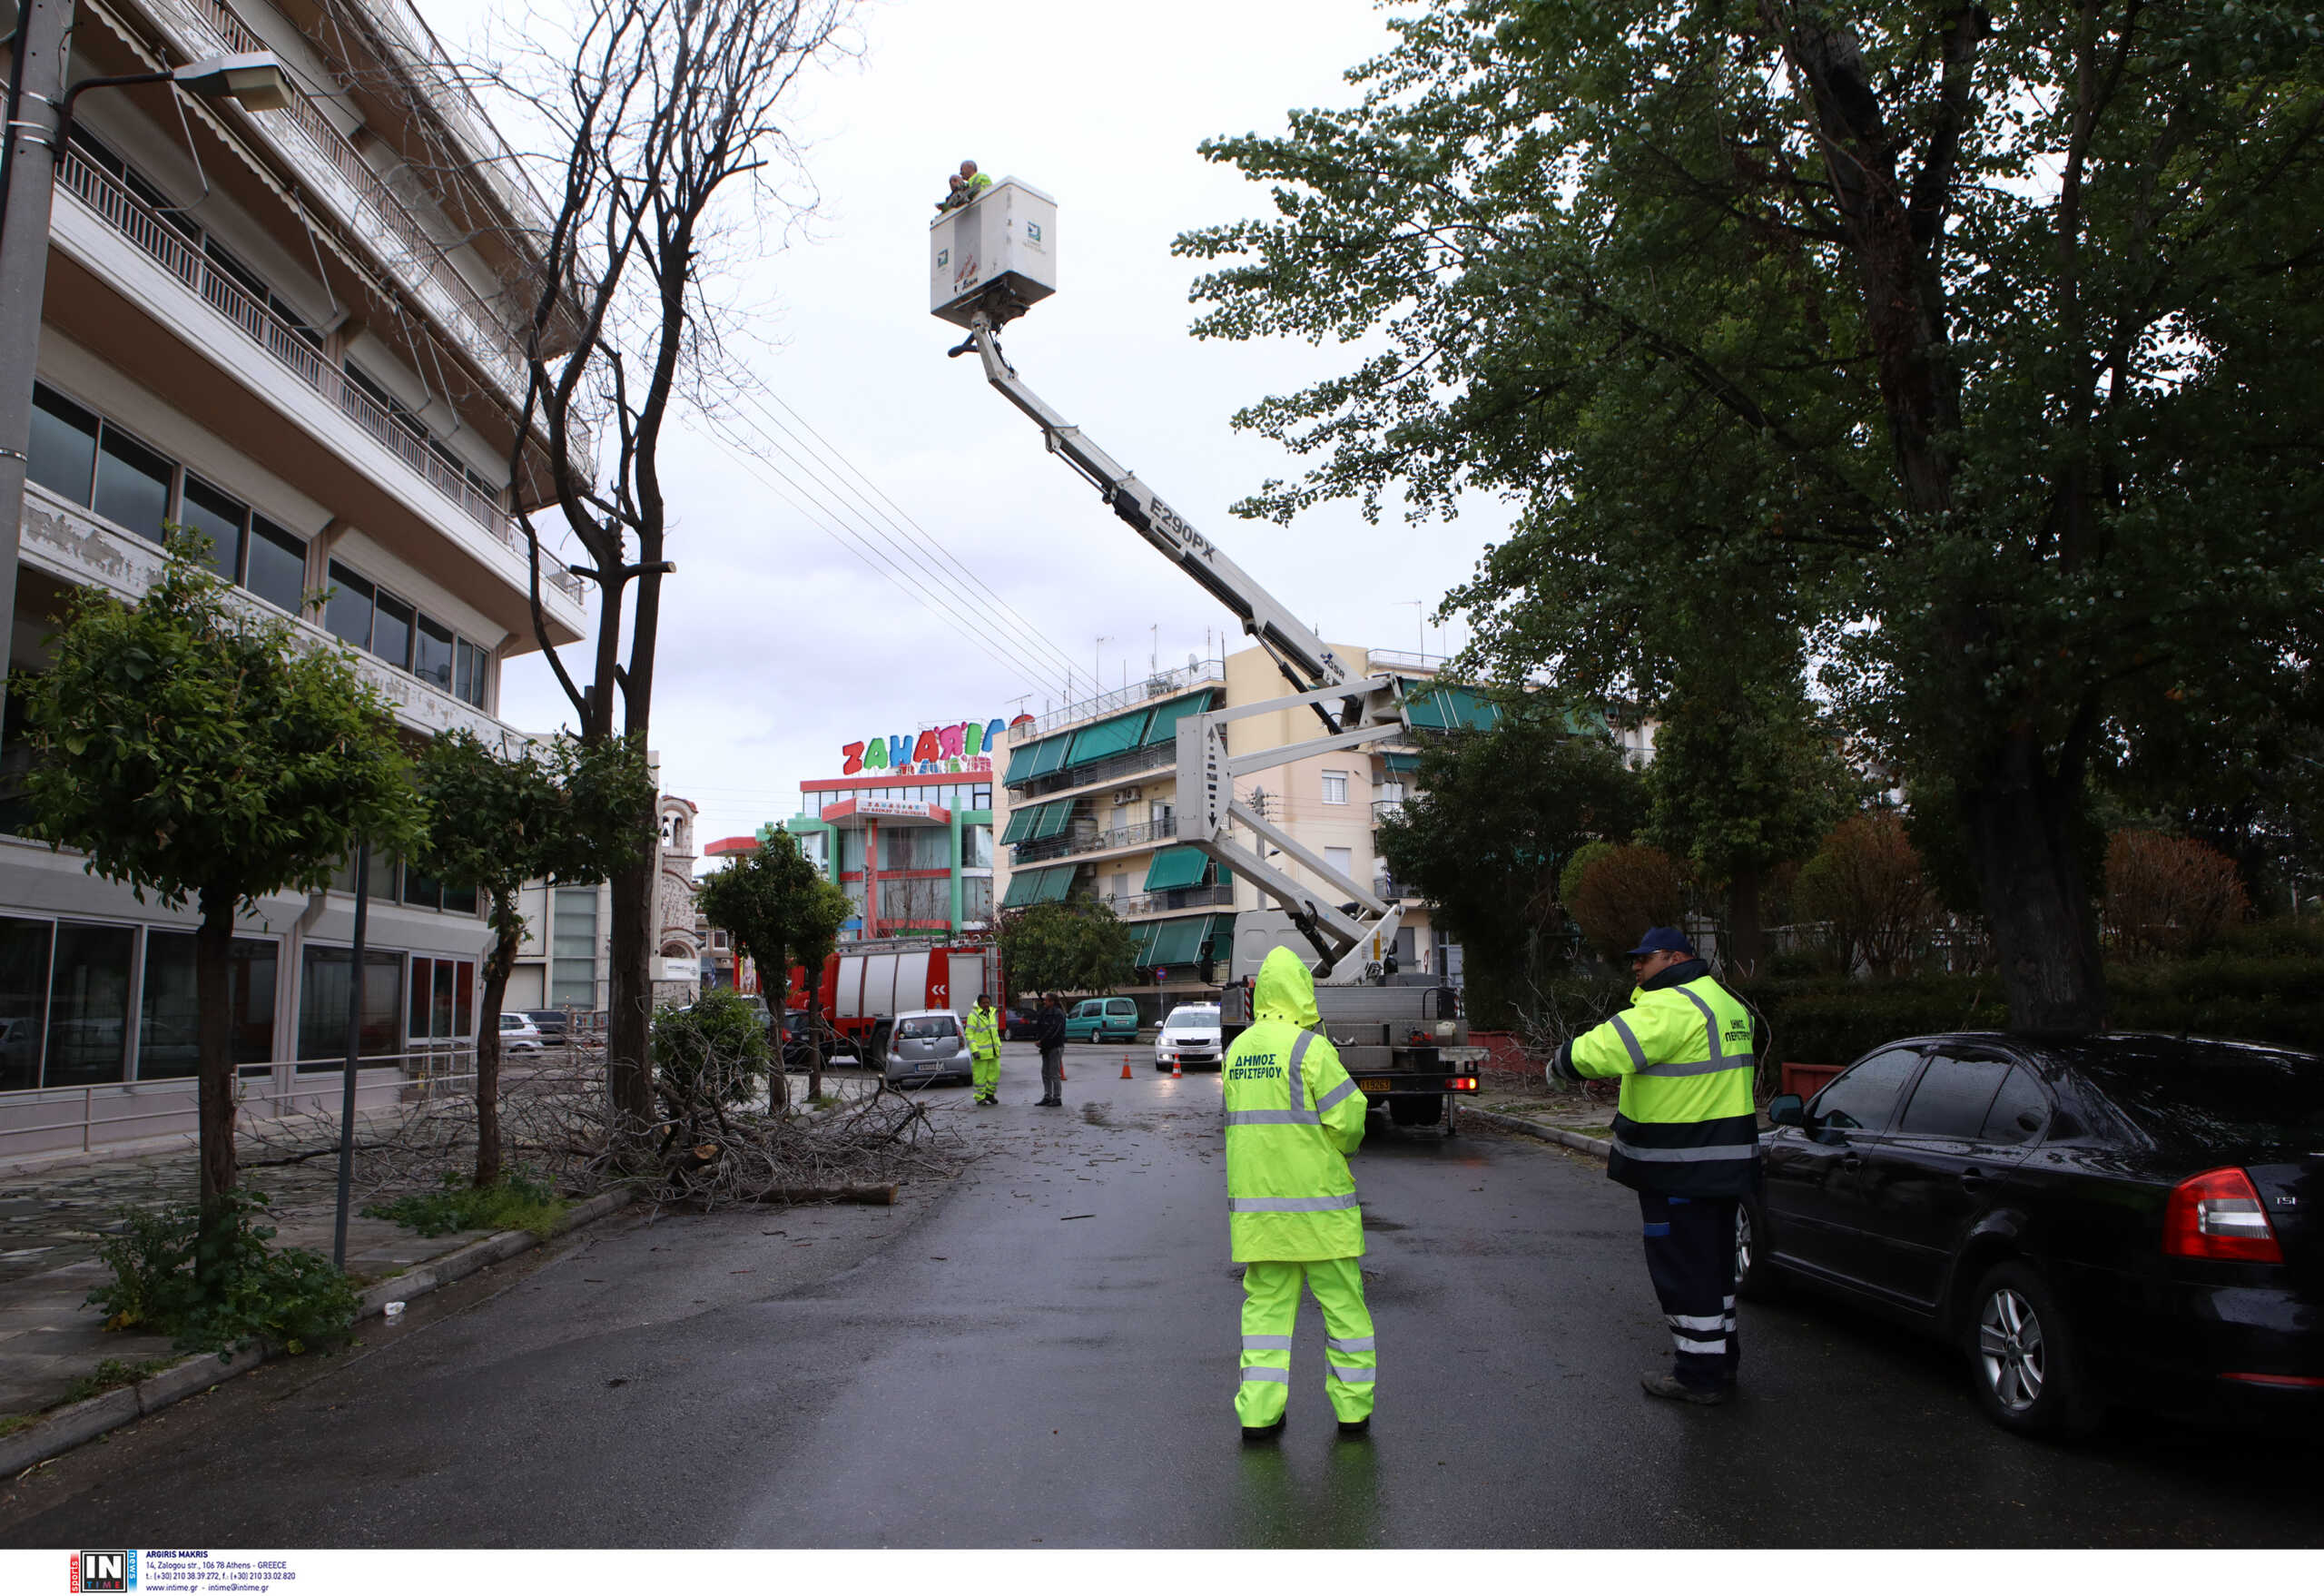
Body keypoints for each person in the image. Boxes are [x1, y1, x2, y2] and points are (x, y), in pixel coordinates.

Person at [1551, 927, 1758, 1405]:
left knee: (1683, 1270)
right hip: (1721, 1164)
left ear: (1674, 957)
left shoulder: (1672, 1006)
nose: (1636, 967)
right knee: (1714, 1268)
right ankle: (1721, 1361)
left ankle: (1697, 1376)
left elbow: (1606, 1047)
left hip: (1680, 1165)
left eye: (1644, 958)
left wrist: (1561, 1061)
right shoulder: (1724, 1002)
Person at [1222, 947, 1375, 1443]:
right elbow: (1350, 1121)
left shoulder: (1238, 1052)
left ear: (1261, 994)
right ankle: (1352, 1413)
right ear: (1302, 993)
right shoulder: (1312, 1051)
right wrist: (1340, 1151)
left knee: (1264, 1318)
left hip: (1261, 1218)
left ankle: (1259, 1415)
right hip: (1321, 1214)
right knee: (1345, 1314)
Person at [966, 992, 1002, 1106]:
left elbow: (994, 1032)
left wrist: (998, 1046)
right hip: (980, 1053)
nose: (986, 1004)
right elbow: (969, 1034)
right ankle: (979, 1097)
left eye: (988, 1002)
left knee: (995, 1075)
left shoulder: (992, 1013)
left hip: (993, 1052)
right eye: (984, 1003)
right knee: (980, 1077)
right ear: (979, 1003)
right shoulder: (973, 1015)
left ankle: (989, 1094)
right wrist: (974, 1050)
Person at [1035, 993, 1068, 1107]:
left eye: (1047, 1001)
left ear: (1052, 1002)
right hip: (1046, 1047)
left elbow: (1054, 1031)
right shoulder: (1044, 1013)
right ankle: (1047, 1096)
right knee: (1045, 1072)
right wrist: (1039, 1039)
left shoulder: (1058, 1014)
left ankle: (1057, 1097)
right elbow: (1040, 1027)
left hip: (1055, 1046)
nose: (1045, 1002)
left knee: (1054, 1073)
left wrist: (1042, 1041)